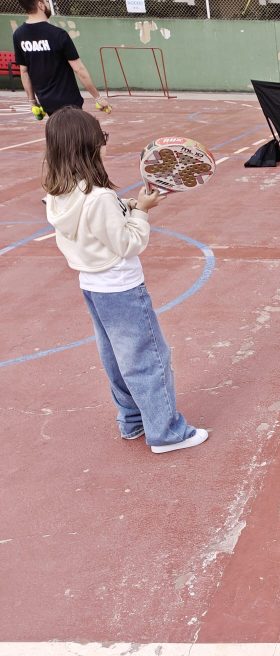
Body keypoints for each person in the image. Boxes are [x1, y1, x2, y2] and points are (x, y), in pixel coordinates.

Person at [42, 108, 207, 453]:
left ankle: (132, 420)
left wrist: (129, 205)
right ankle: (166, 432)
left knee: (116, 358)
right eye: (102, 138)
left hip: (92, 287)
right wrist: (142, 212)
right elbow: (129, 243)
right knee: (148, 358)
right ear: (89, 145)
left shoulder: (61, 192)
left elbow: (96, 220)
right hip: (122, 288)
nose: (105, 143)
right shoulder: (99, 197)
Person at [13, 0, 110, 118]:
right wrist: (98, 98)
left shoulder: (18, 35)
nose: (48, 4)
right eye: (46, 2)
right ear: (40, 5)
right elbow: (79, 69)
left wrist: (32, 102)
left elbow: (24, 71)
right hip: (69, 102)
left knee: (57, 129)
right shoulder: (58, 34)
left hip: (46, 103)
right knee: (75, 129)